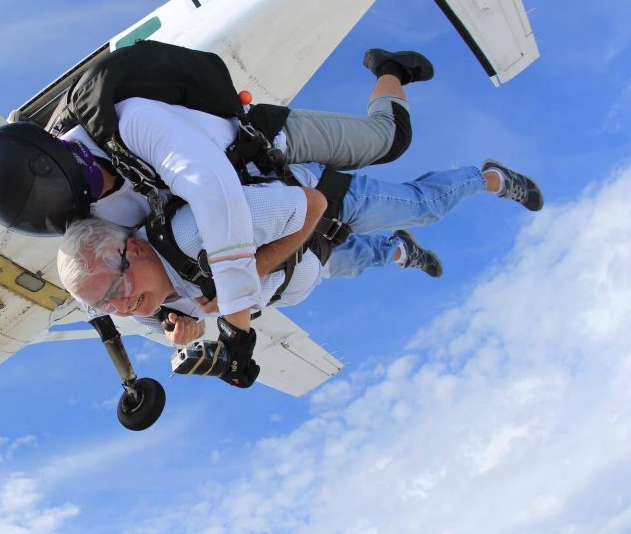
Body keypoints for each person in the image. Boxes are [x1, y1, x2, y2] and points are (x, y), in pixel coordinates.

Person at [0, 48, 434, 337]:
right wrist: (174, 320)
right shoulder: (92, 211)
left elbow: (213, 193)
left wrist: (234, 312)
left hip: (263, 147)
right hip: (264, 196)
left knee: (387, 141)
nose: (103, 194)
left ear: (65, 161)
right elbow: (143, 272)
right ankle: (392, 248)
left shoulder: (130, 120)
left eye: (93, 183)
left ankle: (390, 69)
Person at [55, 159, 543, 388]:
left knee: (421, 206)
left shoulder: (193, 232)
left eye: (114, 290)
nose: (117, 307)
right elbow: (188, 327)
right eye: (102, 306)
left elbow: (308, 206)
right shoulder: (144, 312)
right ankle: (400, 252)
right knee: (367, 260)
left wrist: (231, 295)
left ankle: (490, 177)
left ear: (133, 250)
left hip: (320, 209)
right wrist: (189, 332)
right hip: (308, 266)